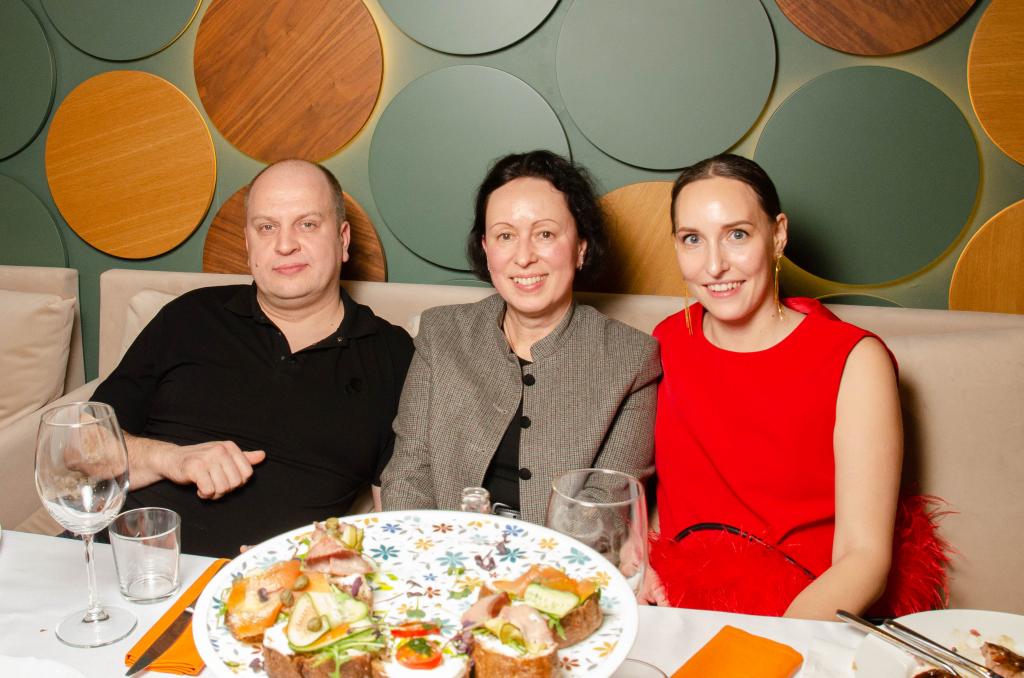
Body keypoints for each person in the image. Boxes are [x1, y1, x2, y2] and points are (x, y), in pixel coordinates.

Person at [646, 154, 946, 619]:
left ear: (778, 235)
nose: (714, 265)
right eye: (692, 239)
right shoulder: (667, 339)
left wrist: (773, 647)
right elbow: (663, 496)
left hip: (806, 611)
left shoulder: (854, 359)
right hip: (678, 608)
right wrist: (640, 563)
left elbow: (864, 558)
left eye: (737, 235)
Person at [92, 159, 413, 557]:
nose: (285, 244)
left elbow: (399, 517)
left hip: (273, 582)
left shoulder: (394, 354)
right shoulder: (190, 316)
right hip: (116, 557)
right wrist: (172, 459)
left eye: (307, 224)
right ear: (247, 244)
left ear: (343, 239)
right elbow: (81, 447)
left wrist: (303, 560)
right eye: (267, 227)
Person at [381, 150, 660, 524]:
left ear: (581, 247)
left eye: (545, 233)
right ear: (486, 249)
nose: (524, 256)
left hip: (559, 557)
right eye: (505, 235)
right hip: (444, 551)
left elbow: (604, 508)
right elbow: (408, 475)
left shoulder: (632, 359)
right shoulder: (440, 334)